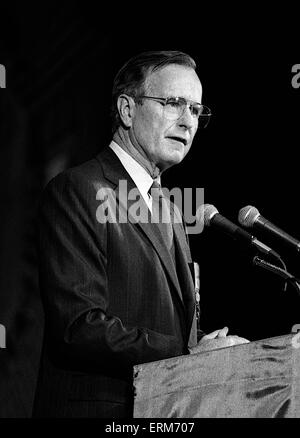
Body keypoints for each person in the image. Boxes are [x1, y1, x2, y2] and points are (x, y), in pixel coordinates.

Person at [33, 50, 249, 418]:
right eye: (173, 103)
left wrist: (209, 352)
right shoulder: (80, 189)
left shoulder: (170, 208)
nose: (187, 122)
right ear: (127, 110)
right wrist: (188, 353)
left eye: (196, 110)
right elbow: (77, 325)